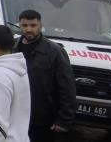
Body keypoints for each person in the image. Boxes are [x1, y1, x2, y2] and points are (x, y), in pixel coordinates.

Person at [15, 10, 76, 142]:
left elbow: (67, 88)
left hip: (42, 120)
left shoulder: (55, 52)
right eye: (24, 25)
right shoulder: (13, 48)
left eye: (33, 25)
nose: (28, 29)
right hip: (15, 116)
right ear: (19, 25)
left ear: (40, 25)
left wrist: (64, 120)